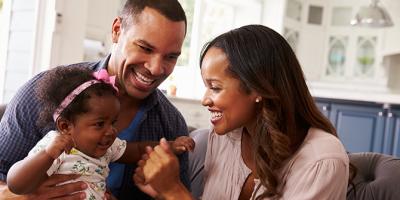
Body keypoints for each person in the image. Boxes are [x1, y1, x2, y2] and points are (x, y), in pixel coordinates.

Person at [134, 24, 350, 200]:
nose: (205, 100)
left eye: (216, 87)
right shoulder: (223, 138)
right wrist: (163, 193)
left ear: (258, 87)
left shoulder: (321, 161)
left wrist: (175, 192)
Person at [0, 0, 190, 199]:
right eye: (145, 48)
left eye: (170, 57)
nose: (156, 68)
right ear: (117, 30)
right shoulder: (41, 94)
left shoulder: (171, 125)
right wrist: (25, 197)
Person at [6, 66, 194, 200]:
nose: (111, 131)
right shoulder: (55, 147)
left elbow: (137, 150)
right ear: (65, 127)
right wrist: (47, 155)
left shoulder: (109, 147)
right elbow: (16, 183)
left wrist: (170, 145)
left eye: (113, 122)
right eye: (99, 124)